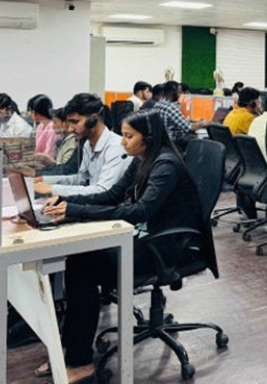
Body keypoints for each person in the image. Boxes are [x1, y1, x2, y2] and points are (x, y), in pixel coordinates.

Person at [37, 109, 209, 382]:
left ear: (148, 138)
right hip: (145, 236)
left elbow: (140, 211)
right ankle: (69, 351)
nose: (122, 141)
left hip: (164, 246)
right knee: (79, 260)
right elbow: (113, 195)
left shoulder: (166, 165)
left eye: (129, 136)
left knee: (83, 266)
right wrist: (67, 202)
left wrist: (77, 211)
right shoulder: (142, 159)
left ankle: (80, 361)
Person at [34, 93, 132, 198]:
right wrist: (44, 180)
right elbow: (81, 179)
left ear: (93, 119)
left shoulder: (116, 148)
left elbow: (103, 191)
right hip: (91, 204)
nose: (70, 128)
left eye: (75, 122)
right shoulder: (87, 145)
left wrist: (53, 189)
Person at [152, 81, 206, 146]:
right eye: (179, 92)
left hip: (161, 140)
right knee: (198, 138)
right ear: (172, 93)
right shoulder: (170, 107)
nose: (181, 95)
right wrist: (203, 123)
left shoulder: (158, 104)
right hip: (172, 142)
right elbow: (189, 128)